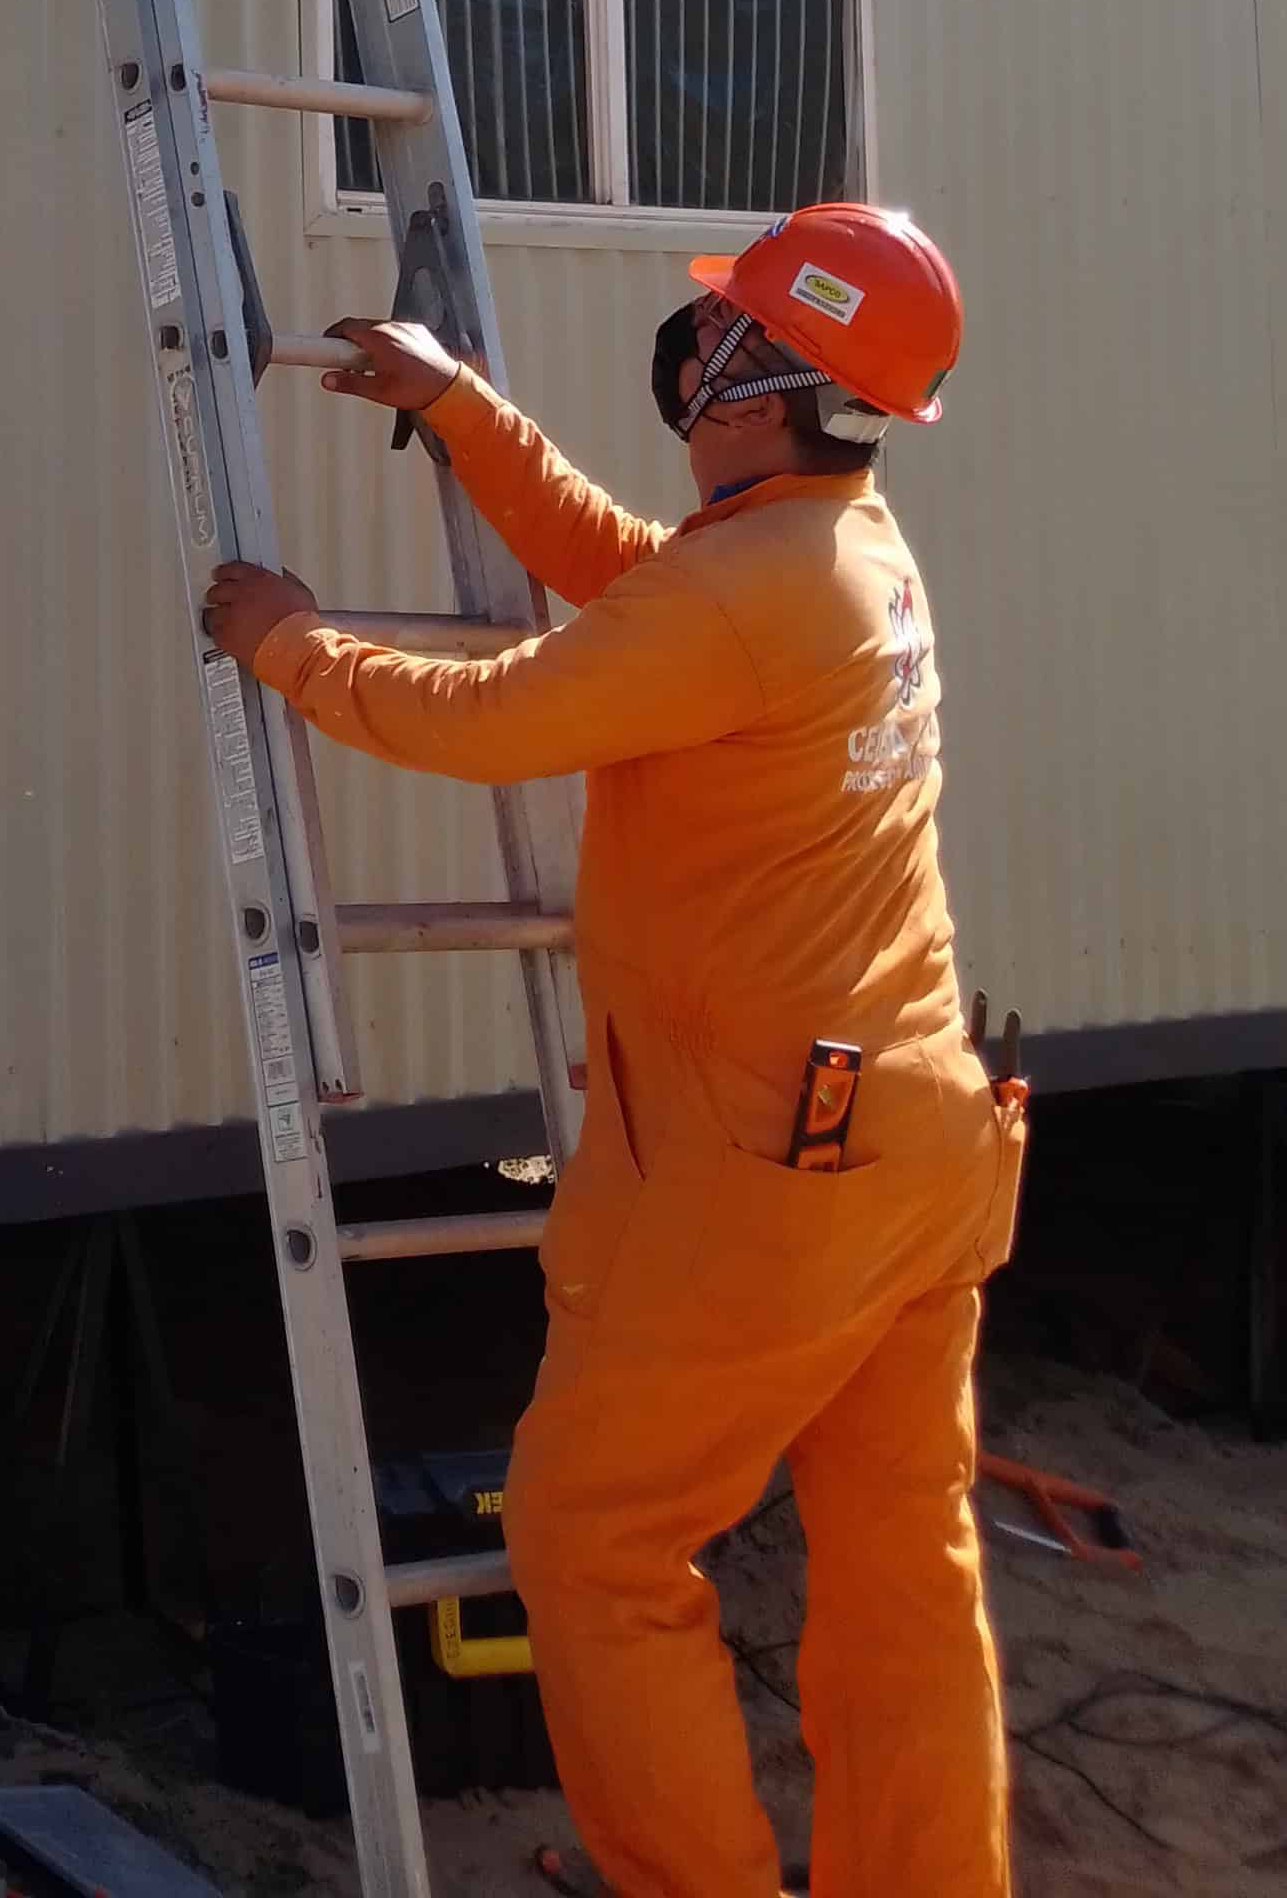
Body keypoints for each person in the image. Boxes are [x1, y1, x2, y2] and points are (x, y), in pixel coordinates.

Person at [201, 203, 1023, 1898]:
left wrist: (285, 640)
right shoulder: (836, 549)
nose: (690, 337)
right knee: (902, 1571)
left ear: (762, 381)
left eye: (720, 324)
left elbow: (491, 717)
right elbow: (635, 579)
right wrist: (461, 410)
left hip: (779, 1172)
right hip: (919, 1142)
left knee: (593, 1540)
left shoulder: (750, 590)